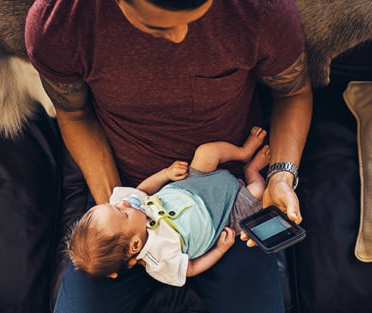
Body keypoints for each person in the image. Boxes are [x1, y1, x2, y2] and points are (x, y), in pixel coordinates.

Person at [25, 0, 313, 311]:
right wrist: (114, 209)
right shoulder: (60, 23)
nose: (180, 37)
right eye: (158, 26)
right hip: (123, 198)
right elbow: (74, 114)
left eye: (197, 15)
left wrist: (282, 176)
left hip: (230, 197)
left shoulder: (259, 9)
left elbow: (293, 92)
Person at [68, 127, 271, 287]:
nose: (122, 203)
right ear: (135, 245)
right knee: (257, 192)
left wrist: (165, 174)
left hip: (193, 185)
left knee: (207, 152)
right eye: (123, 212)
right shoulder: (159, 261)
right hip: (222, 215)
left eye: (112, 206)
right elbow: (190, 268)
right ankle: (251, 168)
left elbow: (142, 189)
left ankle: (243, 153)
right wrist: (219, 250)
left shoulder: (128, 207)